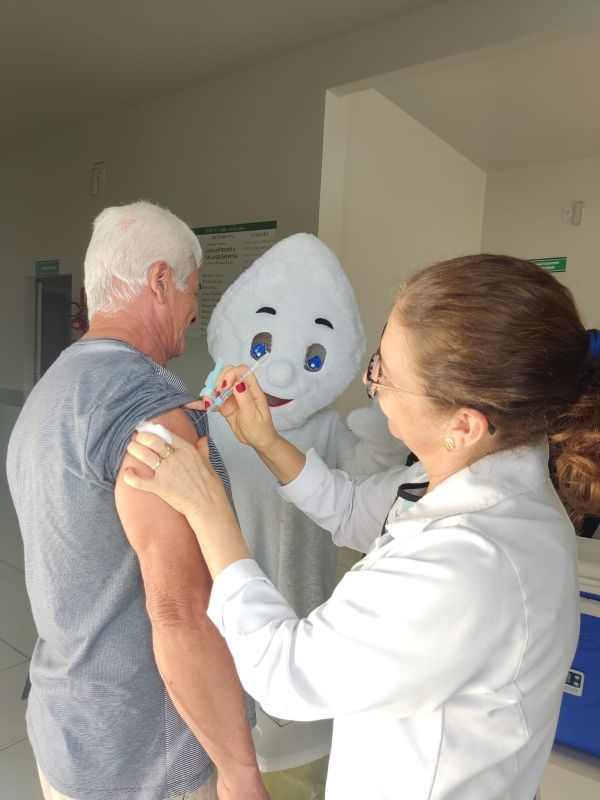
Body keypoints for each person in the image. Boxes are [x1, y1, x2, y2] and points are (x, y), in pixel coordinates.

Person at [123, 253, 600, 800]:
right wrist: (265, 439)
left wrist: (208, 508)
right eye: (378, 360)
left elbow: (286, 672)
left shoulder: (467, 563)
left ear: (464, 424)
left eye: (386, 377)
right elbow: (350, 508)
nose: (372, 385)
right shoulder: (476, 466)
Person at [6, 201, 267, 800]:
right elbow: (180, 611)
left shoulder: (52, 388)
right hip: (147, 760)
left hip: (66, 733)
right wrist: (240, 771)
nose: (194, 309)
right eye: (193, 290)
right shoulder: (147, 408)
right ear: (160, 281)